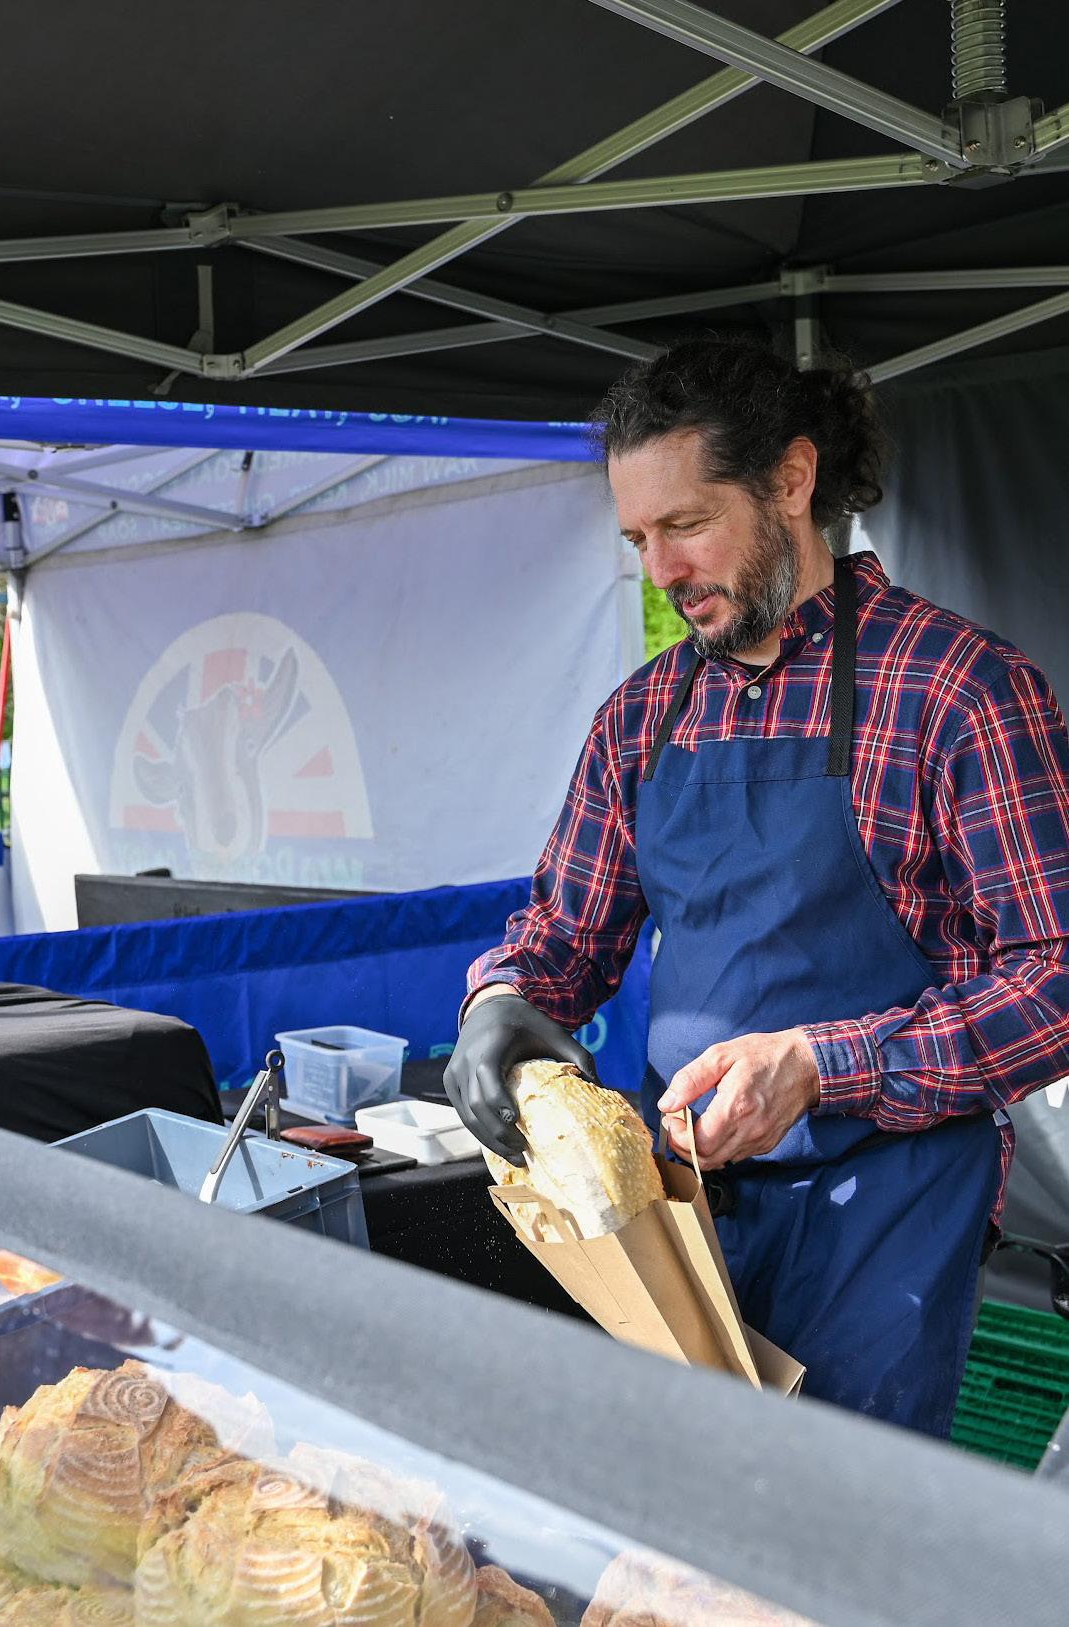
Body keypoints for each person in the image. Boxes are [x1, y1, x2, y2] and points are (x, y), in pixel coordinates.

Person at [444, 338, 1069, 1435]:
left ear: (790, 480)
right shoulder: (641, 718)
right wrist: (498, 999)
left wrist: (820, 1064)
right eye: (636, 539)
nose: (660, 570)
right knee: (684, 1509)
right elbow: (564, 937)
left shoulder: (957, 691)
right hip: (685, 1209)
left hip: (890, 1207)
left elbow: (1053, 977)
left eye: (685, 524)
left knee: (835, 1521)